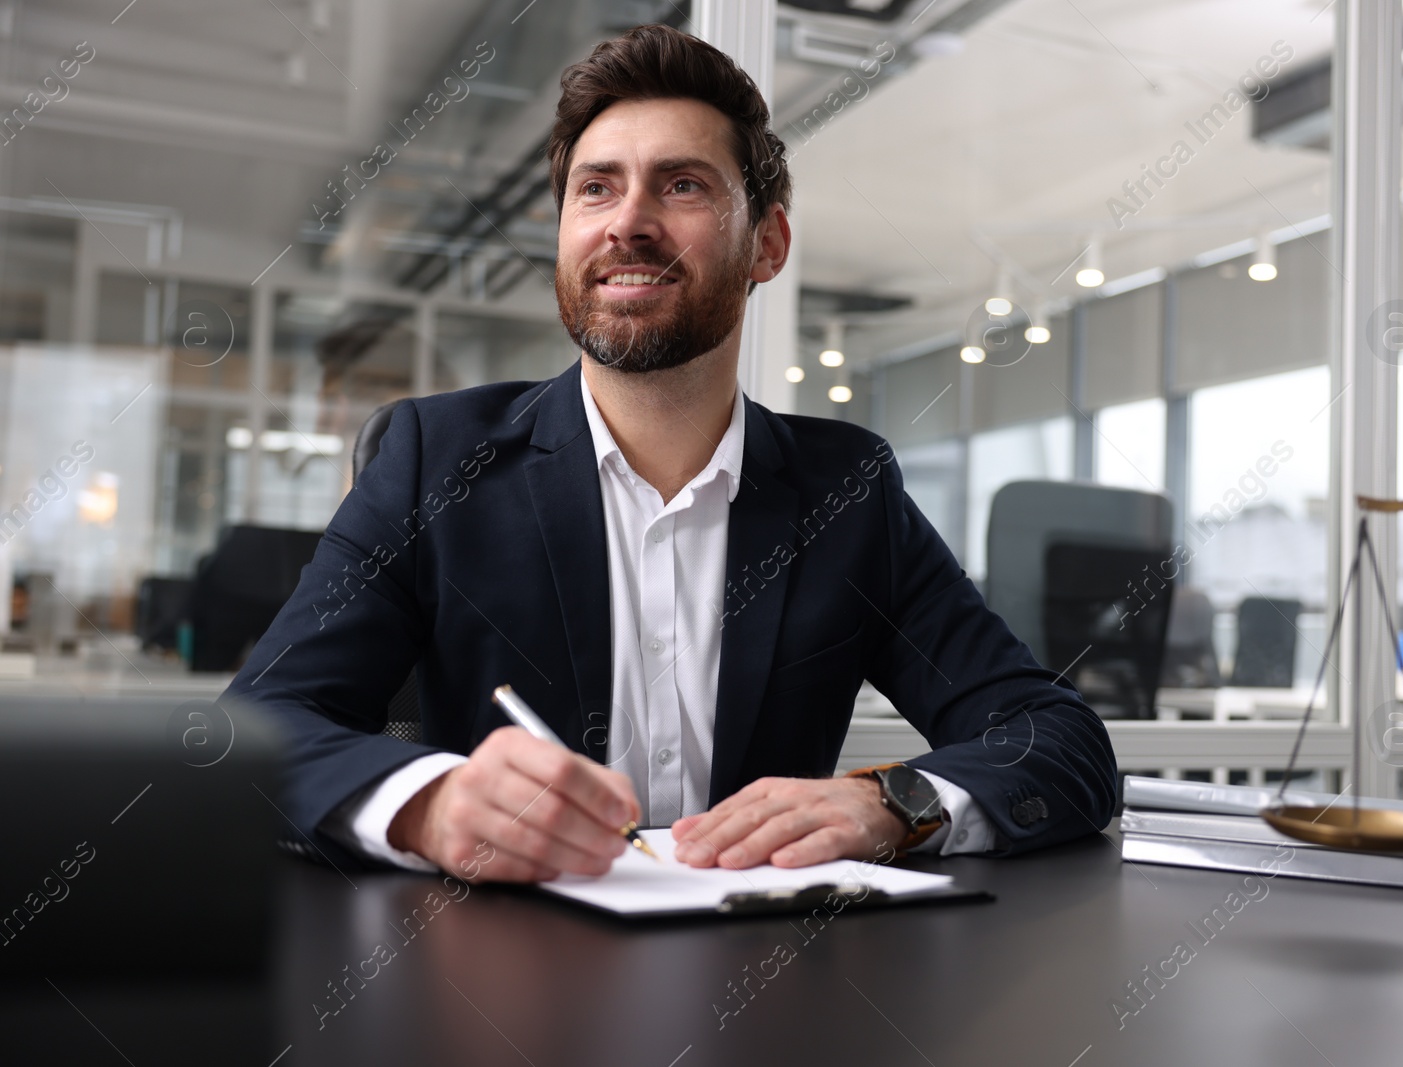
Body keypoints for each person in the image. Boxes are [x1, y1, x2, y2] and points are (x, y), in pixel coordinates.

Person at [224, 23, 1116, 884]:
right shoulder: (435, 459)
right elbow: (257, 730)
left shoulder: (847, 488)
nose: (630, 223)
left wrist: (898, 802)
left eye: (682, 185)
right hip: (499, 988)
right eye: (597, 188)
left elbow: (1055, 736)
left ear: (767, 244)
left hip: (763, 986)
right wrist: (431, 803)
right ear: (565, 232)